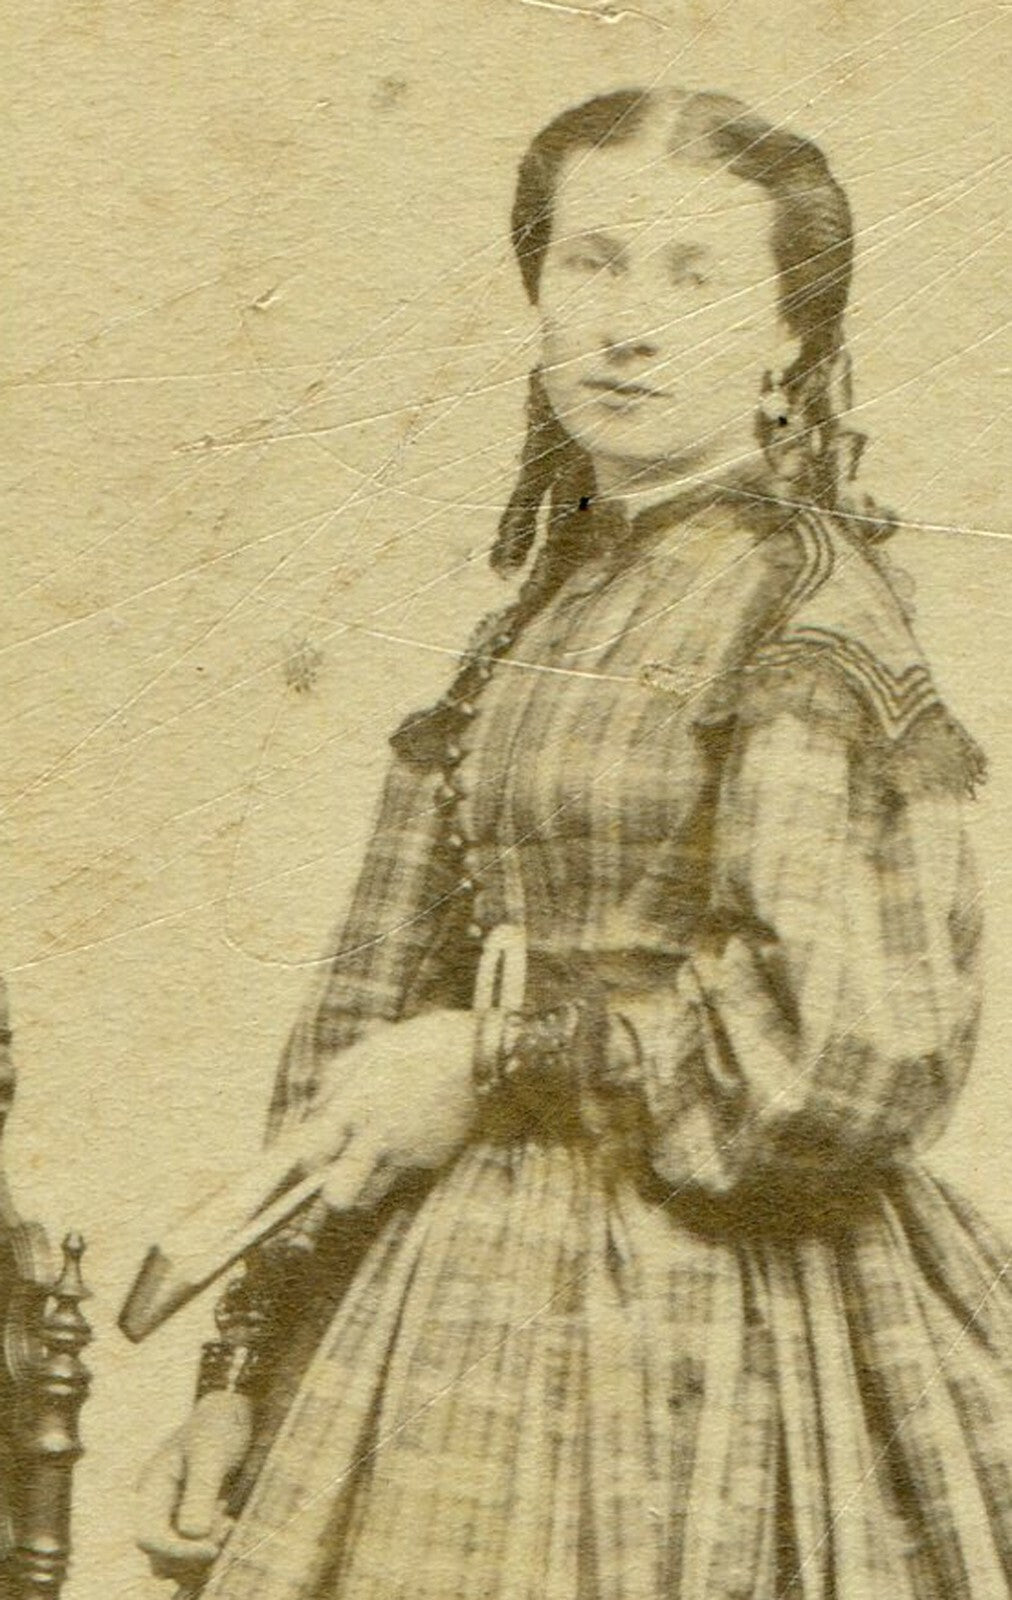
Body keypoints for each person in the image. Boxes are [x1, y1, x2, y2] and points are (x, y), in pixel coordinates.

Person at [136, 88, 1011, 1598]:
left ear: (789, 333)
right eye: (592, 264)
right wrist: (246, 1363)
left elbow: (848, 1050)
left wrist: (493, 1063)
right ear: (538, 291)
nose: (628, 324)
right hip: (445, 1301)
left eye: (693, 275)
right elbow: (368, 1014)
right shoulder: (539, 612)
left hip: (719, 1317)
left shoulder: (809, 617)